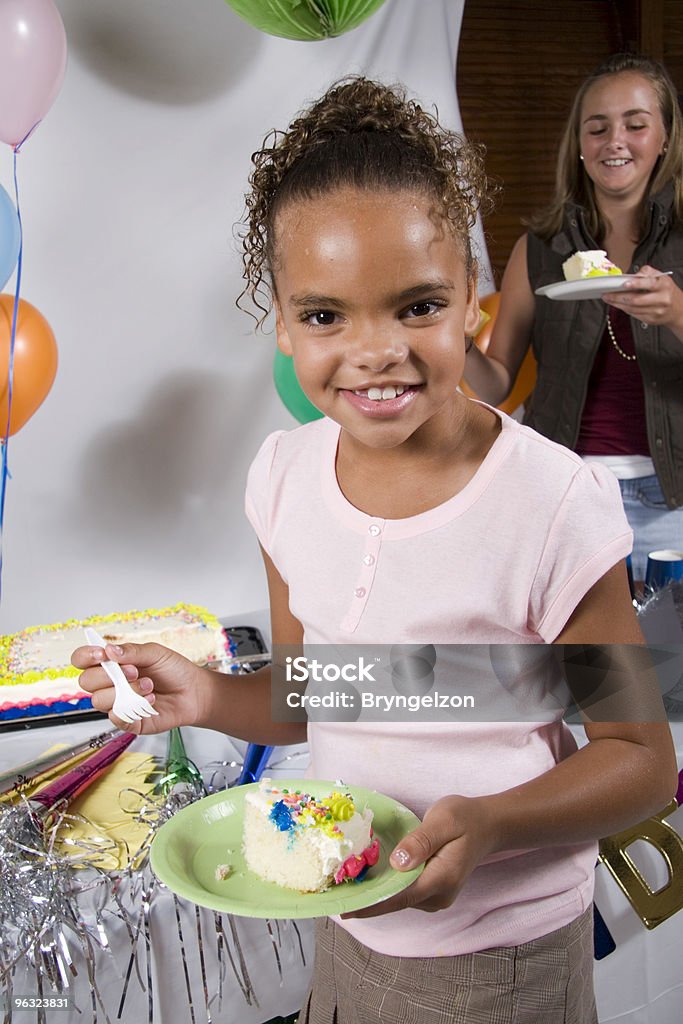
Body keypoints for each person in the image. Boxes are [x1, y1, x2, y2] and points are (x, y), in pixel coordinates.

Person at [73, 77, 676, 1024]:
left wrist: (493, 825)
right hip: (347, 921)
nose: (374, 351)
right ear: (279, 320)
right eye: (324, 316)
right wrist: (212, 695)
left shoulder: (548, 501)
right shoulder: (280, 479)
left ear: (471, 302)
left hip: (498, 950)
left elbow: (639, 761)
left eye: (416, 306)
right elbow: (321, 691)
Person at [463, 53, 683, 583]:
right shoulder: (538, 251)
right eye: (597, 127)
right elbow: (494, 387)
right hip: (566, 492)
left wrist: (678, 312)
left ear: (666, 140)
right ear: (580, 146)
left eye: (635, 124)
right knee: (584, 665)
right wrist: (458, 338)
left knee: (670, 662)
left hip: (674, 498)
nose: (616, 141)